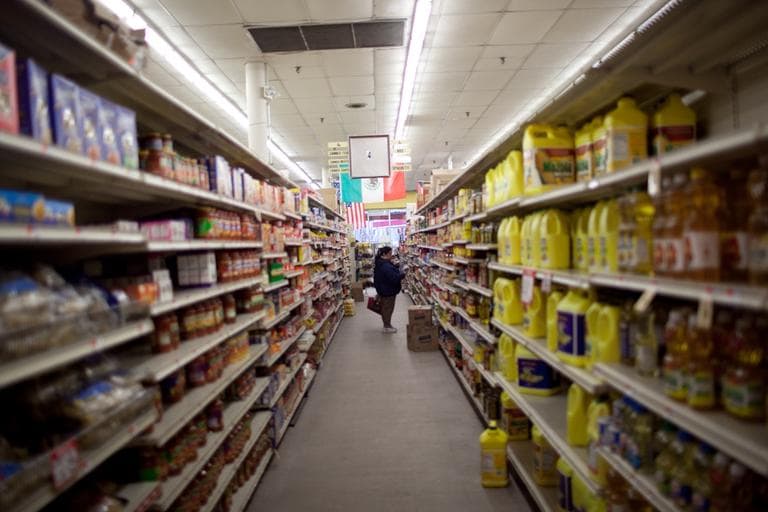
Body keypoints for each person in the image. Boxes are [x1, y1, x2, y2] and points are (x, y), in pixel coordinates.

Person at [373, 246, 405, 333]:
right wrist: (402, 274)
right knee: (388, 308)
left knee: (385, 308)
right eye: (390, 253)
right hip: (388, 290)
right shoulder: (385, 265)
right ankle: (387, 326)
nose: (392, 255)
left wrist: (395, 266)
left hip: (384, 289)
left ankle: (387, 325)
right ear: (384, 254)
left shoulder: (381, 263)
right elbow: (394, 278)